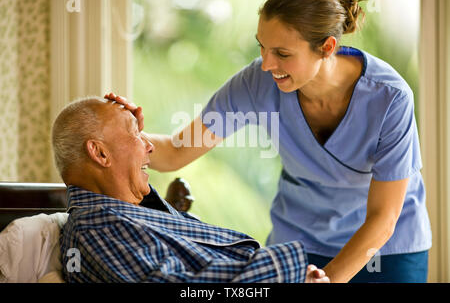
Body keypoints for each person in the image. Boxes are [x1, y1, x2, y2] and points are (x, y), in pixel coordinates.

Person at [106, 0, 432, 283]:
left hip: (386, 251)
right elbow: (178, 151)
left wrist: (329, 279)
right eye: (263, 47)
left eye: (282, 54)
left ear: (327, 47)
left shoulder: (389, 98)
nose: (266, 64)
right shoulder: (257, 84)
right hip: (299, 246)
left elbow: (383, 217)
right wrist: (128, 135)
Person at [52, 97, 329, 283]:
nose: (149, 145)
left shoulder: (128, 213)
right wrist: (286, 276)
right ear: (100, 153)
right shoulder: (95, 230)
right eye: (136, 135)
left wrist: (129, 136)